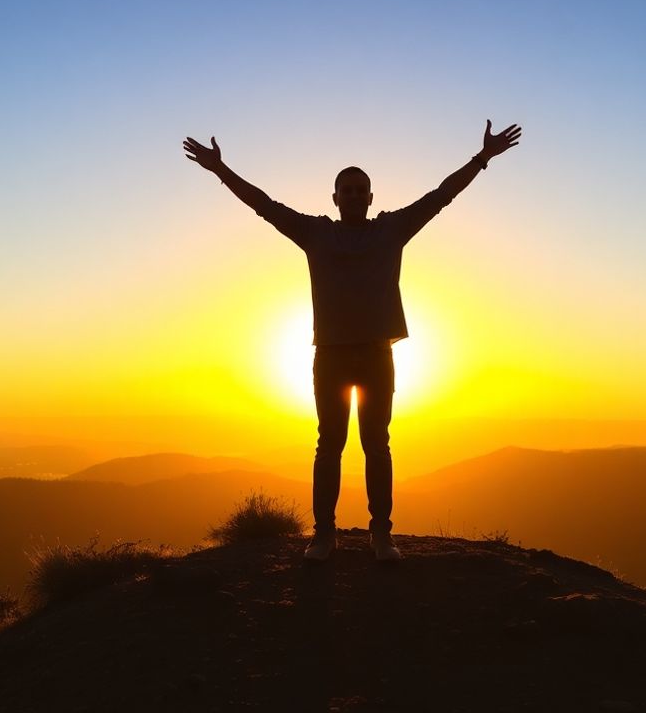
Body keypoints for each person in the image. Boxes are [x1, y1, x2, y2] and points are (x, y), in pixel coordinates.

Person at [183, 120, 522, 562]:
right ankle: (324, 536)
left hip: (377, 354)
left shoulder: (392, 230)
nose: (355, 196)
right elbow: (263, 205)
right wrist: (221, 170)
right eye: (348, 189)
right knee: (330, 444)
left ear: (370, 197)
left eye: (362, 189)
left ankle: (382, 536)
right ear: (335, 198)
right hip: (331, 357)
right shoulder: (316, 233)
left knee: (376, 445)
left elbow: (441, 196)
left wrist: (481, 159)